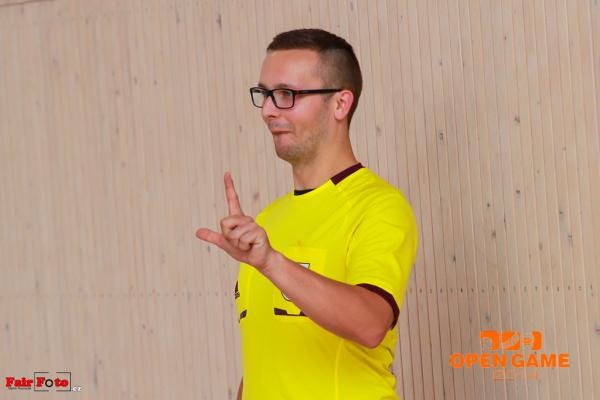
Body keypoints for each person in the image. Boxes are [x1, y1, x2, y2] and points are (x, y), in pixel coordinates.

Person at [196, 28, 418, 400]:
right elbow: (266, 361)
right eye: (265, 94)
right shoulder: (267, 222)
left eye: (287, 94)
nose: (268, 110)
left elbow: (371, 324)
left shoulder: (379, 205)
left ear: (340, 104)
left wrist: (271, 263)